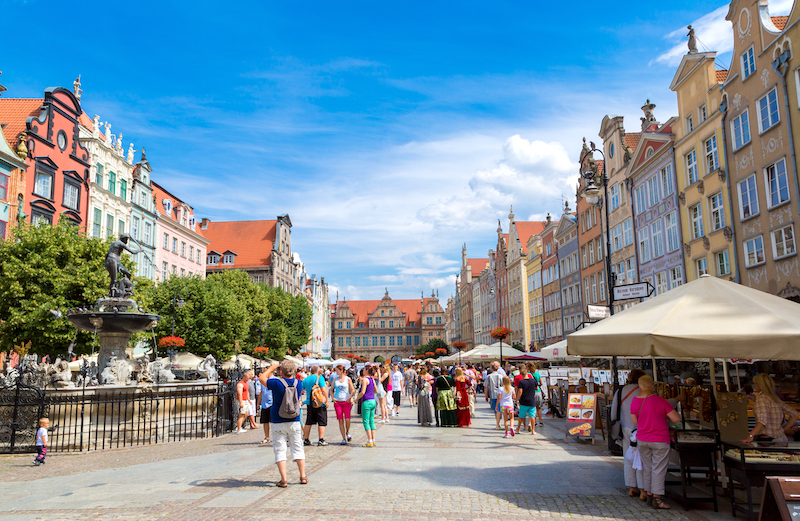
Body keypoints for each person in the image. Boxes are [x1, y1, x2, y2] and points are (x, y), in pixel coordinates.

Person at [631, 375, 680, 510]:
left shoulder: (634, 401)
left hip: (642, 439)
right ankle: (657, 499)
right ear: (653, 386)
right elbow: (676, 419)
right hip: (660, 439)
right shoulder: (660, 401)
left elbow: (635, 422)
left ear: (639, 387)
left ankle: (649, 494)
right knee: (658, 469)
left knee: (647, 468)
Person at [259, 360, 307, 487]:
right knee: (297, 447)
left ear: (281, 371)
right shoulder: (299, 383)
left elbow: (262, 379)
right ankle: (302, 476)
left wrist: (270, 369)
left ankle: (284, 479)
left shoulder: (276, 383)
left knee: (280, 449)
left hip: (278, 419)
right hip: (294, 420)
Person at [610, 368, 646, 498]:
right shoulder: (644, 391)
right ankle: (643, 489)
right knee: (642, 458)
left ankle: (632, 487)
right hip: (641, 428)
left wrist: (614, 425)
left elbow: (614, 411)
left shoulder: (621, 391)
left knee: (628, 457)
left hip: (625, 427)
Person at [743, 373, 800, 443]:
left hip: (767, 439)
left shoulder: (762, 399)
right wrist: (784, 429)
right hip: (780, 437)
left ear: (757, 384)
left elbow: (762, 420)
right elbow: (794, 414)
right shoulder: (775, 399)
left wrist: (751, 435)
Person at [302, 366, 329, 446]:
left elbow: (302, 388)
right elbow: (323, 390)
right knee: (322, 421)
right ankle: (321, 439)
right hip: (319, 403)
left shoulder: (306, 379)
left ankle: (306, 439)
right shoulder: (319, 378)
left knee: (308, 421)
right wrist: (326, 401)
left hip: (310, 402)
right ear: (318, 371)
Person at [332, 364, 355, 445]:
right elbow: (330, 390)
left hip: (346, 401)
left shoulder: (348, 379)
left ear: (341, 370)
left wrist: (350, 397)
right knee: (340, 420)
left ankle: (347, 432)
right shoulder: (335, 380)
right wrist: (332, 397)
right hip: (338, 402)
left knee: (347, 419)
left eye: (337, 370)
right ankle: (343, 438)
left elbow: (353, 390)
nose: (336, 372)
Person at [356, 366, 378, 447]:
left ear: (366, 370)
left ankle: (369, 440)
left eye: (364, 369)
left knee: (366, 421)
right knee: (371, 421)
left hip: (366, 402)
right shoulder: (372, 379)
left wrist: (356, 399)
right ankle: (373, 440)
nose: (363, 370)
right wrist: (370, 394)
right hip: (373, 401)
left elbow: (362, 392)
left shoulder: (365, 379)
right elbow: (376, 390)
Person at [515, 365, 538, 434]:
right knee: (532, 416)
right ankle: (533, 431)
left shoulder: (521, 382)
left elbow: (520, 391)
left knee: (521, 416)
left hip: (524, 401)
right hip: (532, 401)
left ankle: (518, 428)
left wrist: (517, 399)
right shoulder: (533, 381)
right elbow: (537, 388)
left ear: (522, 374)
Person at [485, 363, 503, 430]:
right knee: (499, 408)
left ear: (492, 369)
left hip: (492, 394)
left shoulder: (489, 376)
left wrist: (486, 395)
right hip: (500, 395)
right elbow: (503, 386)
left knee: (496, 409)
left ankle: (497, 423)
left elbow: (486, 386)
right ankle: (498, 422)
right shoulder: (500, 376)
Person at [258, 374, 274, 445]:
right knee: (265, 422)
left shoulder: (275, 380)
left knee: (274, 422)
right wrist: (258, 403)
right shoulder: (262, 381)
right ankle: (267, 437)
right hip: (264, 404)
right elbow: (261, 392)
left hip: (273, 403)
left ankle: (277, 437)